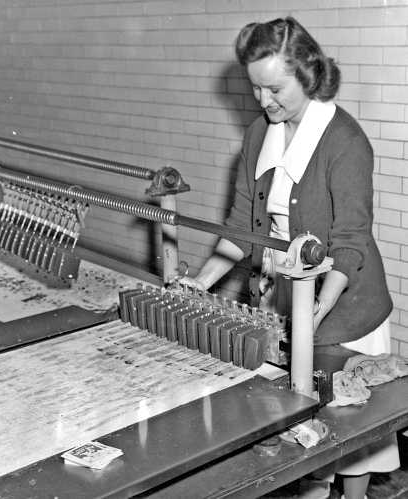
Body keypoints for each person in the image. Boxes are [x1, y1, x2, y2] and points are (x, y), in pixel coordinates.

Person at [180, 16, 399, 499]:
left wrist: (317, 310)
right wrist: (203, 281)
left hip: (345, 297)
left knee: (350, 423)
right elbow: (241, 226)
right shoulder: (260, 134)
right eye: (255, 89)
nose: (263, 101)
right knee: (301, 418)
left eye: (274, 89)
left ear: (308, 74)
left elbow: (351, 241)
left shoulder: (345, 141)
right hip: (289, 293)